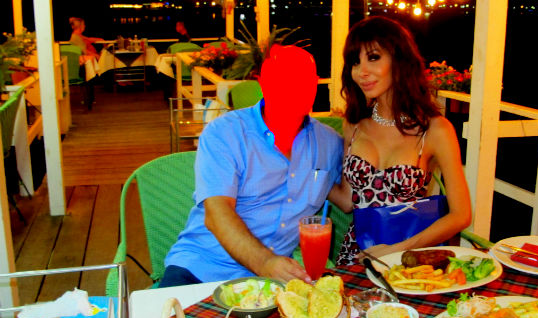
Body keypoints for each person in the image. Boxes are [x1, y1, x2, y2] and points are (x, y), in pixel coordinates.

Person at [160, 45, 344, 287]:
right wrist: (265, 262)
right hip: (201, 268)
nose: (293, 88)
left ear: (315, 85)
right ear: (263, 83)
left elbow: (349, 200)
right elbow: (217, 214)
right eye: (282, 79)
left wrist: (359, 130)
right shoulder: (225, 132)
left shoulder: (329, 143)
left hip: (270, 283)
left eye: (303, 80)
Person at [331, 16, 472, 265]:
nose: (362, 72)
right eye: (355, 62)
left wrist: (398, 250)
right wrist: (303, 169)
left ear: (399, 60)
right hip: (359, 256)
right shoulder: (354, 124)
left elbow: (461, 215)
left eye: (373, 57)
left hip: (409, 261)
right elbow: (347, 201)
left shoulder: (435, 129)